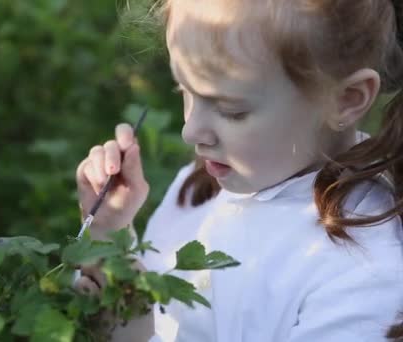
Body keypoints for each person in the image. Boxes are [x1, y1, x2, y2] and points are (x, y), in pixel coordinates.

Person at [74, 0, 403, 341]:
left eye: (232, 110)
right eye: (185, 91)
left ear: (346, 99)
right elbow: (151, 300)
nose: (190, 131)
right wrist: (109, 235)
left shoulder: (362, 273)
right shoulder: (204, 185)